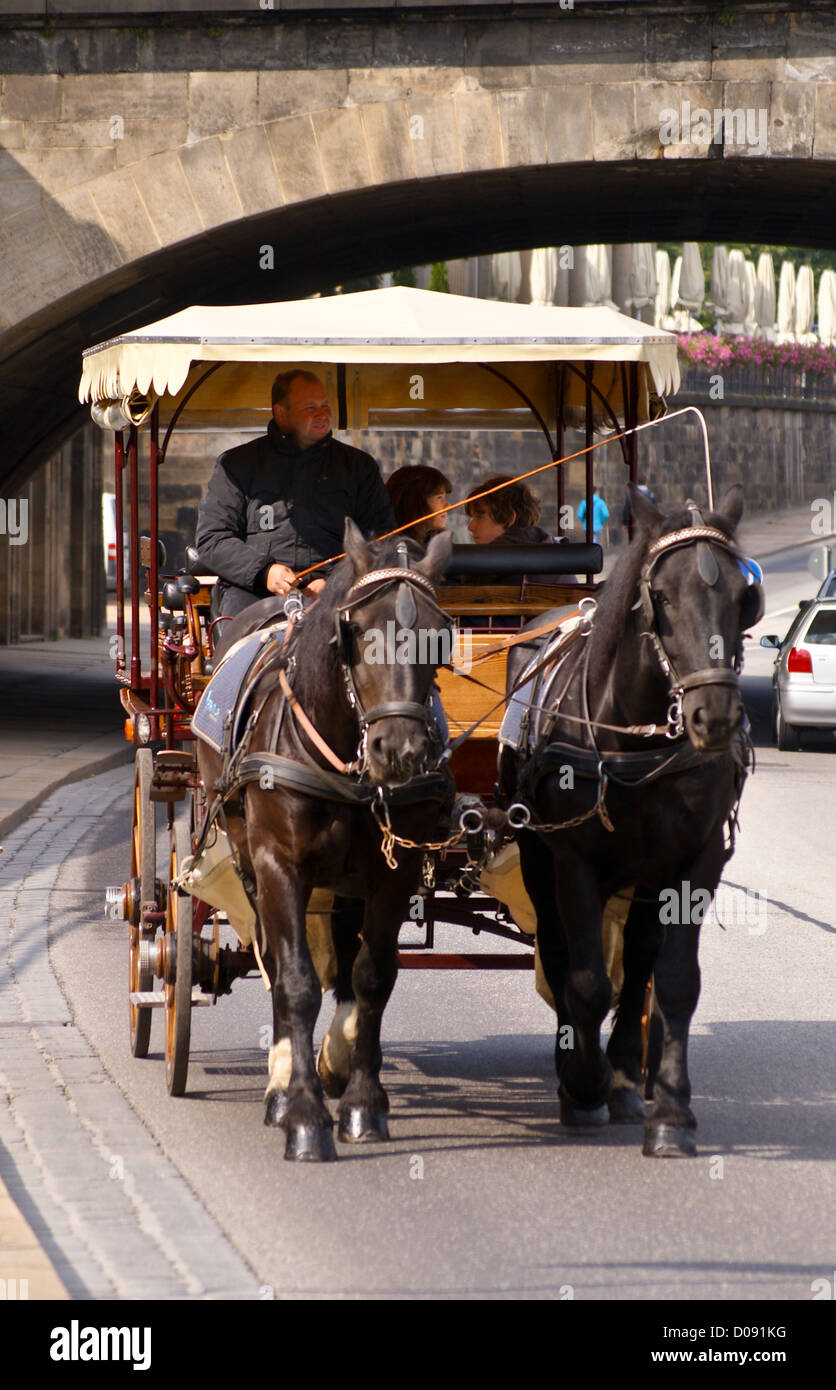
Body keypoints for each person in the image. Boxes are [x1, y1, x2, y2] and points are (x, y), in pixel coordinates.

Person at [195, 370, 395, 616]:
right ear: (281, 413)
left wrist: (337, 582)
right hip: (252, 593)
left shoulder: (359, 466)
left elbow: (382, 539)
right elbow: (213, 539)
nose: (323, 414)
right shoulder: (236, 464)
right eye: (310, 407)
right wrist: (264, 572)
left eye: (325, 405)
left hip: (340, 594)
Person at [464, 474, 570, 586]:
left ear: (508, 518)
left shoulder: (489, 564)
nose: (470, 527)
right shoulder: (549, 547)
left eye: (479, 517)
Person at [386, 465, 452, 545]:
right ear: (415, 502)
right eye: (439, 497)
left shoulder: (439, 542)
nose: (448, 506)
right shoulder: (387, 546)